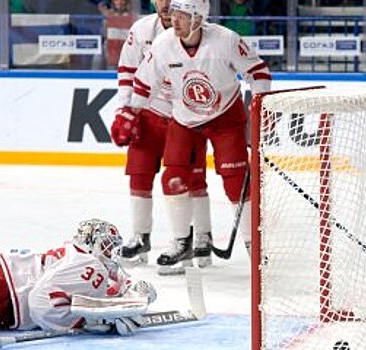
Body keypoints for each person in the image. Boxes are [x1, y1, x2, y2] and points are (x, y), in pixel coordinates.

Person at [113, 0, 271, 274]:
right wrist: (129, 112)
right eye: (174, 14)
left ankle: (253, 244)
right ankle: (181, 242)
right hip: (184, 118)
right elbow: (143, 82)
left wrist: (257, 109)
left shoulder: (226, 40)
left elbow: (258, 72)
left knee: (236, 182)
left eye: (182, 15)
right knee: (172, 176)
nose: (175, 20)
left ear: (198, 18)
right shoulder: (162, 44)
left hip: (224, 117)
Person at [111, 0, 213, 273]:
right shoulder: (141, 30)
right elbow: (127, 73)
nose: (166, 4)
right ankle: (140, 238)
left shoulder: (205, 33)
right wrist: (126, 111)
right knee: (139, 174)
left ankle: (201, 237)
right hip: (149, 113)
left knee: (191, 179)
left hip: (187, 116)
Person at [0, 219, 156, 335]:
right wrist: (90, 319)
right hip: (1, 289)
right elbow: (40, 304)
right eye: (107, 246)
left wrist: (137, 290)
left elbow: (120, 283)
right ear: (91, 244)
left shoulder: (74, 258)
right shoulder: (90, 265)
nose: (111, 254)